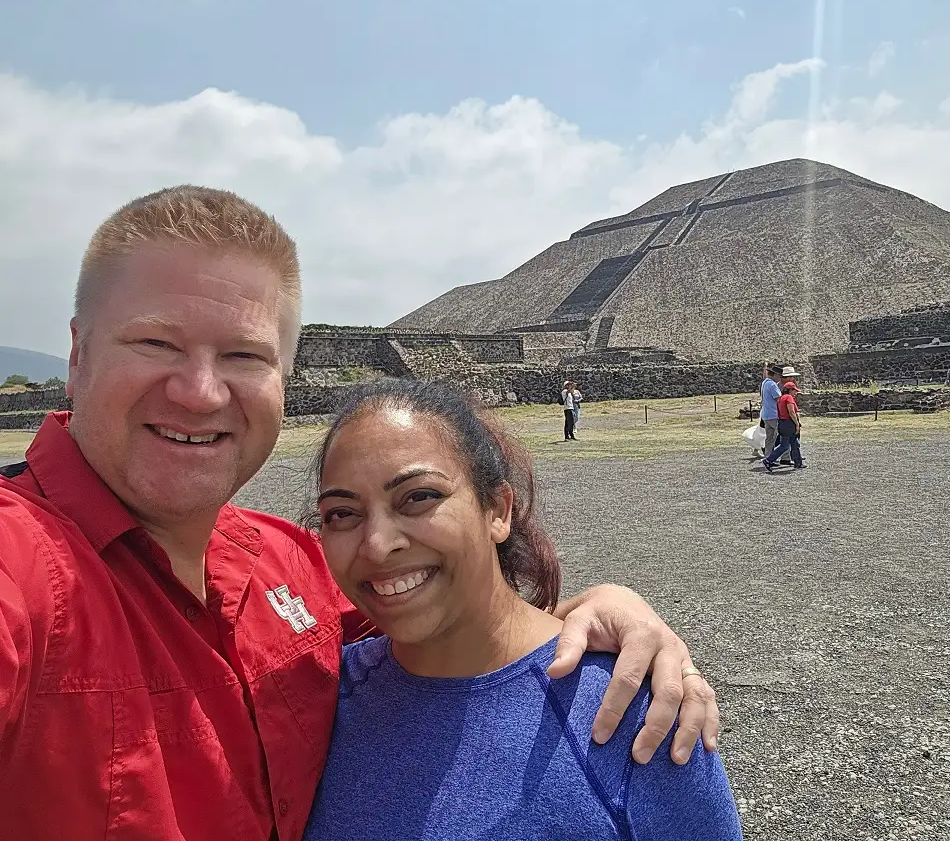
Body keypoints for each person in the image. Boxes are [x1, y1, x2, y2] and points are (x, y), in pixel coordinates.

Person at [0, 186, 719, 841]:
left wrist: (600, 609)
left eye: (245, 356)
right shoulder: (21, 564)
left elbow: (456, 621)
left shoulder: (291, 565)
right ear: (77, 354)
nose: (200, 392)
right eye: (156, 342)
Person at [303, 380, 743, 840]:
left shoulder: (631, 713)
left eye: (419, 497)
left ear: (498, 510)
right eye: (342, 514)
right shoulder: (310, 702)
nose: (377, 546)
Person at [763, 379, 806, 471]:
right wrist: (797, 424)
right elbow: (791, 412)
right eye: (794, 391)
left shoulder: (781, 398)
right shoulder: (789, 398)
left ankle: (798, 462)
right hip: (789, 423)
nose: (795, 393)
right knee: (787, 445)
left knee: (792, 444)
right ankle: (769, 460)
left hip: (782, 422)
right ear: (790, 390)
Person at [759, 363, 782, 460]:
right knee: (780, 436)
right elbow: (778, 399)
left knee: (769, 438)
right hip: (773, 414)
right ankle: (778, 457)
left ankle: (768, 456)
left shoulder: (765, 383)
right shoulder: (772, 384)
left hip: (766, 414)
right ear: (775, 375)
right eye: (779, 376)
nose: (780, 378)